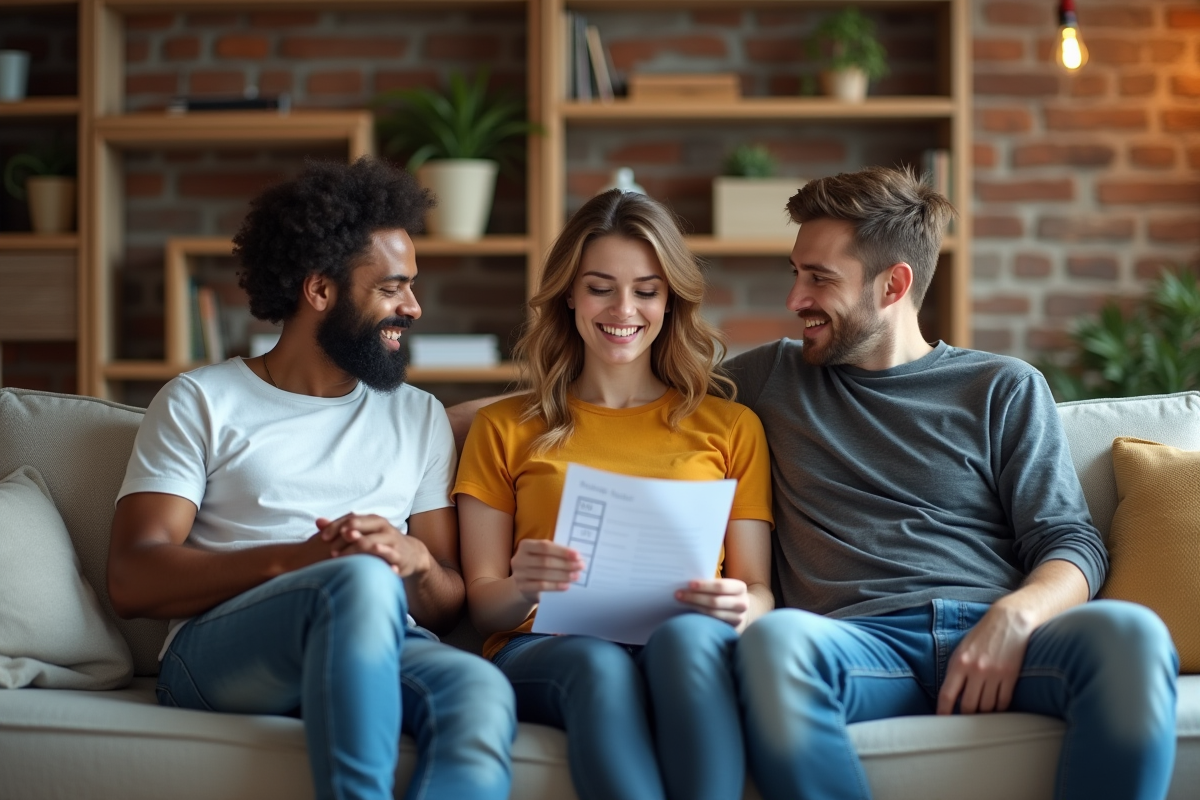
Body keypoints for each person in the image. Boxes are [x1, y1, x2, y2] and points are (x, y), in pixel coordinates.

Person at [726, 165, 1179, 800]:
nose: (795, 299)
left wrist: (1015, 616)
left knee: (1133, 635)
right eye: (796, 273)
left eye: (819, 278)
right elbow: (643, 401)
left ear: (894, 284)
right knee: (775, 643)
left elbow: (1071, 541)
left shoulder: (1001, 386)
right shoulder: (766, 379)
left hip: (999, 636)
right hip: (855, 644)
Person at [107, 158, 516, 800]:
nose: (412, 306)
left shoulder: (418, 415)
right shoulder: (201, 400)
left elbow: (446, 601)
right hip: (224, 649)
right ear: (320, 290)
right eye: (391, 287)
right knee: (354, 579)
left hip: (385, 641)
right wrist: (304, 561)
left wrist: (414, 563)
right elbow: (133, 577)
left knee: (479, 688)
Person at [453, 189, 774, 800]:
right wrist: (522, 584)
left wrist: (742, 606)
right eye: (600, 287)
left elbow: (759, 589)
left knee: (690, 641)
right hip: (546, 648)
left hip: (681, 636)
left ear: (670, 300)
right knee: (595, 663)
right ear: (569, 295)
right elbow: (484, 607)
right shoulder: (505, 427)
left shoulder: (731, 428)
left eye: (646, 290)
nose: (623, 308)